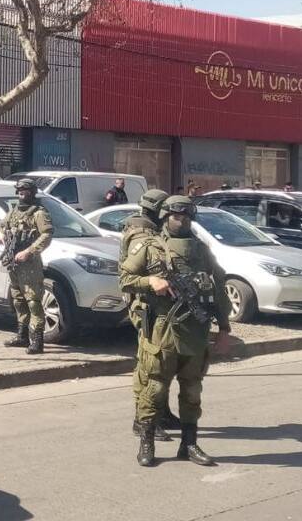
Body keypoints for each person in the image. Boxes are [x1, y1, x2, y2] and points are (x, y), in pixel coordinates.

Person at [119, 195, 232, 467]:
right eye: (176, 216)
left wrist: (224, 327)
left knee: (192, 390)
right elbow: (125, 279)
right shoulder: (149, 246)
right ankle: (147, 441)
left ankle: (189, 444)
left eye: (186, 217)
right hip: (162, 329)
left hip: (196, 330)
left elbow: (218, 288)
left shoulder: (201, 250)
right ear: (165, 217)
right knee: (155, 388)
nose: (181, 221)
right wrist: (151, 281)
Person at [119, 189, 180, 443]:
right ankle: (143, 419)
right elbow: (127, 278)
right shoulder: (140, 235)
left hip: (160, 307)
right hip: (147, 307)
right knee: (148, 364)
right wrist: (151, 281)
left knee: (164, 362)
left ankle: (161, 412)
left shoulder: (151, 231)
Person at [0, 178, 54, 354]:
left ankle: (37, 340)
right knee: (18, 299)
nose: (22, 193)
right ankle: (22, 336)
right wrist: (0, 234)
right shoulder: (14, 211)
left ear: (32, 192)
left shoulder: (39, 213)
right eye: (20, 191)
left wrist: (29, 251)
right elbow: (1, 225)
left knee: (33, 301)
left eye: (25, 191)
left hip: (29, 264)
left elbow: (47, 235)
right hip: (14, 262)